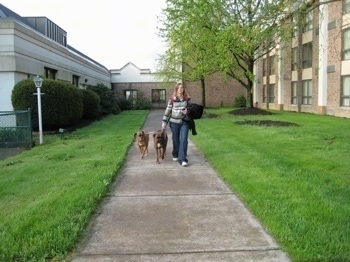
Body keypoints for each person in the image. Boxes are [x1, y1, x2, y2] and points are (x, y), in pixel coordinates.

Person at [161, 83, 191, 167]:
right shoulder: (172, 99)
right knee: (175, 139)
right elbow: (168, 111)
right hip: (174, 122)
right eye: (179, 88)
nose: (181, 89)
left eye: (182, 87)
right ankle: (175, 153)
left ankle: (183, 159)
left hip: (184, 122)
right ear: (176, 89)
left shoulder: (187, 98)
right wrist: (164, 122)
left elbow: (190, 108)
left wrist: (187, 111)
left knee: (184, 140)